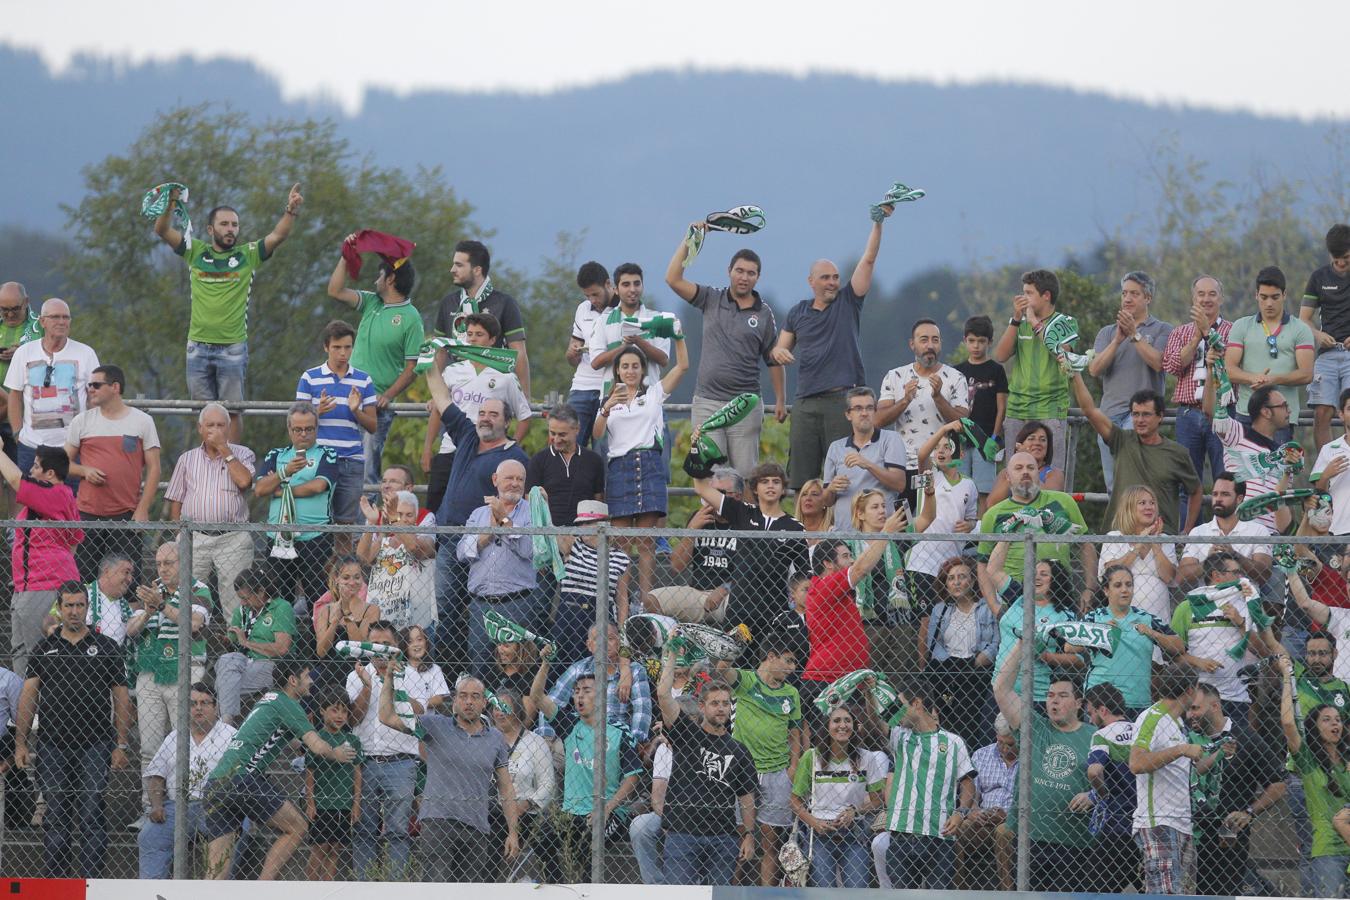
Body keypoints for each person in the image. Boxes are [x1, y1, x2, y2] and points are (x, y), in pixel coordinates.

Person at [152, 184, 303, 441]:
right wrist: (170, 204)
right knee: (205, 415)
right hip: (197, 347)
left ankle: (234, 465)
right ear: (211, 229)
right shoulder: (195, 251)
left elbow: (278, 236)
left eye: (234, 224)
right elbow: (163, 230)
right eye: (224, 224)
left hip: (232, 348)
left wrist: (290, 211)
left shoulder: (249, 255)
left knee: (232, 412)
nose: (230, 229)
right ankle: (210, 468)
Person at [202, 659, 358, 881]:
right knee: (297, 827)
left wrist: (301, 748)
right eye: (307, 676)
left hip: (217, 782)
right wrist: (337, 753)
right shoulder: (289, 704)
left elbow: (284, 736)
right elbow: (317, 746)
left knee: (217, 869)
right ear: (293, 680)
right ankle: (264, 889)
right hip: (244, 778)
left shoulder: (269, 699)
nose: (311, 681)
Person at [13, 582, 130, 877]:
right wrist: (21, 743)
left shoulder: (106, 647)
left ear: (87, 608)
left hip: (96, 744)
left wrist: (122, 743)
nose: (75, 611)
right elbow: (28, 697)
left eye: (80, 605)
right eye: (69, 606)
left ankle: (93, 881)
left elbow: (121, 697)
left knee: (91, 812)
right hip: (53, 745)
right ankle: (57, 881)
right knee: (56, 814)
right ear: (59, 608)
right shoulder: (45, 648)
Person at [774, 209, 892, 489]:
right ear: (811, 281)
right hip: (805, 403)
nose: (832, 283)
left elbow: (869, 258)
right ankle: (804, 532)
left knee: (843, 474)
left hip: (842, 401)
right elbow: (779, 349)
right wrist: (778, 353)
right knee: (802, 479)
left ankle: (841, 531)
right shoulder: (797, 312)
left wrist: (878, 222)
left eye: (836, 277)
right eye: (825, 277)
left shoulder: (848, 301)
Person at [426, 352, 529, 668]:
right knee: (443, 609)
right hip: (448, 538)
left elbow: (515, 502)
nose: (485, 417)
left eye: (493, 414)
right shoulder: (468, 436)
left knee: (474, 615)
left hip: (485, 546)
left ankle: (474, 681)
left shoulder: (513, 457)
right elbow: (442, 399)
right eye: (482, 412)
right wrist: (429, 364)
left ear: (506, 421)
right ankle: (446, 677)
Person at [378, 669, 521, 882]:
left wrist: (513, 832)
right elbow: (386, 717)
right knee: (436, 892)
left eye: (475, 697)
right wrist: (389, 680)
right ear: (454, 701)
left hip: (476, 827)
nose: (469, 702)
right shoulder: (434, 725)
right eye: (463, 696)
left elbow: (506, 787)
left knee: (470, 894)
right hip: (438, 823)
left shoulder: (496, 738)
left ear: (485, 703)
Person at [666, 233, 786, 476]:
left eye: (750, 273)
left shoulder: (764, 314)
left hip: (745, 406)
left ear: (758, 277)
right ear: (729, 271)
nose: (744, 277)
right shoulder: (710, 298)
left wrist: (781, 399)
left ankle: (747, 516)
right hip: (707, 402)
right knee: (711, 475)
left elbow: (773, 359)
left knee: (745, 476)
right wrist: (690, 241)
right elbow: (673, 279)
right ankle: (713, 517)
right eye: (739, 271)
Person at [654, 633, 758, 886]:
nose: (721, 708)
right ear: (702, 707)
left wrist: (748, 835)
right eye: (714, 703)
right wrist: (672, 654)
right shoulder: (686, 734)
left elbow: (746, 798)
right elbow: (663, 695)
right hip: (682, 834)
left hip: (722, 838)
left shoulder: (739, 750)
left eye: (725, 703)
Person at [993, 639, 1095, 892]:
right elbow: (1001, 689)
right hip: (1030, 840)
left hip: (1075, 844)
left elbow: (1117, 783)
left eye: (1062, 696)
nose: (1054, 702)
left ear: (1079, 703)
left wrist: (1093, 795)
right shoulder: (1034, 728)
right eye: (1050, 696)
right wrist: (1021, 644)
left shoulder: (1096, 736)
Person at [593, 331, 690, 598]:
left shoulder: (654, 394)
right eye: (625, 366)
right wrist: (607, 406)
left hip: (648, 464)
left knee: (647, 542)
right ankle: (622, 605)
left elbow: (682, 366)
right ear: (617, 370)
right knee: (621, 543)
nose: (630, 370)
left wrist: (678, 335)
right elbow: (597, 434)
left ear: (643, 369)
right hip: (620, 468)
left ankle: (647, 602)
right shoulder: (608, 401)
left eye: (635, 366)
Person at [326, 237, 424, 486]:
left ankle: (365, 523)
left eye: (379, 276)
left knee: (367, 468)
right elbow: (335, 290)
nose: (375, 281)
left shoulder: (411, 318)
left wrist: (388, 395)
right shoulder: (371, 302)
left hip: (375, 404)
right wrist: (346, 254)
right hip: (346, 396)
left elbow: (413, 367)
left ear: (390, 279)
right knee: (335, 462)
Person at [533, 673, 643, 883]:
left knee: (584, 849)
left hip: (608, 813)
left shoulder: (619, 731)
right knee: (540, 837)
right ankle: (559, 888)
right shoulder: (569, 725)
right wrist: (546, 663)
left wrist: (607, 808)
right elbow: (537, 696)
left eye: (586, 691)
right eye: (576, 692)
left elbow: (633, 777)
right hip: (571, 812)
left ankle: (582, 889)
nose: (579, 696)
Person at [689, 460, 808, 653]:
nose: (771, 485)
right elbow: (701, 487)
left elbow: (804, 574)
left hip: (775, 611)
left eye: (776, 482)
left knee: (767, 668)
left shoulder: (795, 527)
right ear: (754, 488)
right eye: (765, 481)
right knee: (727, 666)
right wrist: (698, 452)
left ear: (783, 488)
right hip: (740, 608)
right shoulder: (742, 512)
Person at [714, 633, 804, 887]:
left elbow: (795, 733)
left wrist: (793, 767)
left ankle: (767, 895)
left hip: (778, 774)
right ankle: (730, 893)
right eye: (788, 661)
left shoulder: (792, 693)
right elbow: (722, 669)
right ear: (771, 656)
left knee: (770, 844)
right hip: (742, 773)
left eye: (794, 663)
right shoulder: (747, 680)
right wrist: (734, 643)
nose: (791, 668)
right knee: (740, 839)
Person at [422, 312, 533, 514]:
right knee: (435, 506)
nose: (472, 338)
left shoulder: (505, 376)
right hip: (451, 448)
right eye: (470, 333)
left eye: (479, 334)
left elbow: (525, 417)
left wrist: (507, 448)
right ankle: (437, 546)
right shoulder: (453, 370)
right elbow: (440, 409)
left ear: (492, 340)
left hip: (486, 451)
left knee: (479, 504)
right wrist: (428, 448)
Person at [125, 542, 211, 792]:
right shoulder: (151, 589)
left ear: (184, 563)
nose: (162, 569)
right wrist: (148, 612)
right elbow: (130, 631)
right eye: (159, 564)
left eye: (168, 564)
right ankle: (149, 808)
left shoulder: (198, 588)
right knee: (148, 748)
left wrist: (163, 605)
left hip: (186, 668)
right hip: (150, 673)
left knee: (183, 744)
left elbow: (194, 625)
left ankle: (181, 804)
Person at [1187, 680, 1286, 897]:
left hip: (1227, 840)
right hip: (1187, 837)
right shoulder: (1184, 740)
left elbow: (1278, 783)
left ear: (1215, 706)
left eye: (1195, 708)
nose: (1190, 715)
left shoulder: (1245, 738)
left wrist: (1249, 812)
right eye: (1188, 709)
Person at [799, 509, 908, 705]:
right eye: (846, 556)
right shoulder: (823, 586)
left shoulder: (840, 593)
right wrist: (886, 532)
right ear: (828, 563)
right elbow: (861, 569)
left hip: (848, 682)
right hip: (826, 681)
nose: (851, 560)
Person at [65, 364, 160, 581]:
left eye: (97, 385)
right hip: (87, 515)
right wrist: (84, 470)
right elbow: (62, 464)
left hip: (126, 516)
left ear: (115, 387)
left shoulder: (142, 421)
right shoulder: (82, 421)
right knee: (86, 582)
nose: (91, 389)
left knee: (128, 584)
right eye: (89, 385)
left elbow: (155, 468)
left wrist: (143, 509)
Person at [1071, 374, 1201, 532]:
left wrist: (1187, 531)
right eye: (1135, 414)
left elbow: (1195, 490)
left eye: (1146, 414)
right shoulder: (1121, 439)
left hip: (1159, 538)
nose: (1140, 420)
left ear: (1160, 416)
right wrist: (1075, 374)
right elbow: (1089, 410)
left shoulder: (1177, 452)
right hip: (1120, 536)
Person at [879, 677, 975, 890]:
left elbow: (968, 783)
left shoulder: (953, 742)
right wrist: (868, 694)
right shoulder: (899, 737)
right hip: (901, 833)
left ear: (916, 704)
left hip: (938, 835)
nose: (897, 713)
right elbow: (872, 726)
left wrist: (961, 812)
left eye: (901, 705)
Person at [164, 402, 255, 622]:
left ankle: (238, 648)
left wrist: (225, 450)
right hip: (195, 536)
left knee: (237, 598)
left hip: (233, 537)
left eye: (221, 425)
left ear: (228, 428)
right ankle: (189, 652)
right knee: (186, 595)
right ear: (200, 429)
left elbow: (244, 481)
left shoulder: (244, 454)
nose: (215, 430)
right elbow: (175, 499)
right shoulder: (187, 459)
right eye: (210, 425)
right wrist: (180, 534)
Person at [137, 683, 237, 879]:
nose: (198, 708)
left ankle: (216, 893)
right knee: (149, 836)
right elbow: (156, 776)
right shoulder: (175, 737)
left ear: (215, 707)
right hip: (177, 807)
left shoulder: (231, 735)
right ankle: (150, 891)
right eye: (193, 704)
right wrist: (156, 805)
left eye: (204, 703)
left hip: (219, 806)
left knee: (234, 835)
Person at [976, 450, 1096, 609]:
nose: (1025, 472)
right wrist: (994, 605)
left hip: (1060, 595)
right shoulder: (993, 514)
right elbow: (983, 564)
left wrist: (1089, 588)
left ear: (1037, 473)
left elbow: (1086, 544)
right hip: (1014, 599)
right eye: (1018, 468)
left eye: (1030, 468)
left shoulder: (1064, 501)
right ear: (1007, 477)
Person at [1088, 271, 1174, 490]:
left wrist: (1135, 335)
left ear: (1148, 298)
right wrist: (1117, 340)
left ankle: (1138, 524)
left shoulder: (1163, 329)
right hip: (1109, 414)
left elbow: (1158, 363)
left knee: (1136, 481)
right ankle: (1118, 525)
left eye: (1134, 294)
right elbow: (1094, 369)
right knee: (1112, 484)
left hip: (1141, 415)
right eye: (1124, 293)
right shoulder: (1107, 333)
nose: (1127, 299)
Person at [3, 441, 81, 677]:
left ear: (50, 473)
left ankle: (35, 710)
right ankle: (24, 710)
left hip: (42, 584)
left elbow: (16, 481)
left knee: (36, 653)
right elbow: (74, 541)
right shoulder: (59, 496)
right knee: (21, 651)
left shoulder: (54, 493)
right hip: (29, 585)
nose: (31, 472)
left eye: (36, 467)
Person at [346, 622, 419, 880]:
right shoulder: (355, 675)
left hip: (401, 762)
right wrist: (367, 686)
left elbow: (419, 713)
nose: (380, 650)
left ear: (396, 646)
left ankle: (395, 886)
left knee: (398, 830)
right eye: (375, 644)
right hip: (364, 763)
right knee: (363, 829)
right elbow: (352, 719)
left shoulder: (410, 674)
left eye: (386, 644)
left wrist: (393, 682)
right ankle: (364, 887)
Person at [295, 320, 378, 542]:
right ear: (326, 347)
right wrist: (317, 411)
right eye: (337, 347)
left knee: (345, 525)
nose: (343, 353)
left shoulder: (364, 379)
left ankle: (341, 575)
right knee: (314, 523)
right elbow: (296, 424)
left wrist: (356, 411)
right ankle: (317, 576)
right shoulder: (309, 377)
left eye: (347, 347)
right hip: (318, 459)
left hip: (351, 459)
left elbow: (372, 425)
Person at [790, 703, 887, 888]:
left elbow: (877, 800)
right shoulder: (811, 757)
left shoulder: (867, 758)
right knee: (823, 894)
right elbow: (794, 801)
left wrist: (855, 809)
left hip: (855, 834)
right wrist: (813, 822)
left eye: (847, 721)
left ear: (855, 726)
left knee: (856, 893)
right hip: (820, 835)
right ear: (827, 726)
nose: (842, 725)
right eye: (836, 721)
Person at [1276, 653, 1350, 898]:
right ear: (1314, 727)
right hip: (1330, 850)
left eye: (1338, 719)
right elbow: (1288, 723)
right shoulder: (1309, 763)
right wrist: (1288, 677)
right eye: (1326, 720)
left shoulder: (1348, 762)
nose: (1334, 724)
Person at [457, 459, 541, 673]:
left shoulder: (533, 512)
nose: (514, 483)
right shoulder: (478, 514)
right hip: (480, 606)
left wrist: (503, 521)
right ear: (495, 480)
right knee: (481, 667)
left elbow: (529, 550)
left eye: (519, 479)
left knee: (519, 670)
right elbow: (461, 552)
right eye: (509, 478)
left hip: (517, 603)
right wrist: (485, 537)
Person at [1171, 552, 1269, 729]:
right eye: (1236, 572)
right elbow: (1171, 654)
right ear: (1216, 575)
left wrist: (1240, 623)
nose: (1242, 577)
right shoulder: (1187, 607)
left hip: (1236, 698)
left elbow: (1262, 651)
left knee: (1236, 754)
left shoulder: (1247, 603)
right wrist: (1198, 662)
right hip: (1198, 700)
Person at [1070, 565, 1184, 716]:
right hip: (1101, 702)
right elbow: (1069, 647)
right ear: (1106, 591)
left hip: (1138, 702)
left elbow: (1179, 646)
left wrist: (1153, 634)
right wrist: (1099, 630)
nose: (1125, 590)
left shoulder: (1146, 618)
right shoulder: (1094, 618)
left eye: (1129, 585)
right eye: (1118, 585)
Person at [255, 402, 340, 605]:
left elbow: (318, 486)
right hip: (278, 536)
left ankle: (318, 638)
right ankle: (283, 638)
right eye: (298, 429)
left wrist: (280, 489)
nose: (304, 434)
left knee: (318, 599)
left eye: (309, 429)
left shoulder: (327, 453)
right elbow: (259, 489)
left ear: (317, 428)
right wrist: (285, 472)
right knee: (278, 600)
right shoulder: (276, 455)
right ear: (289, 430)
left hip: (315, 537)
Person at [1129, 664, 1203, 895]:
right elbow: (1137, 763)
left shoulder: (1178, 723)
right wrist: (1181, 750)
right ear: (1190, 690)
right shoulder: (1152, 717)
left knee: (1176, 892)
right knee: (1165, 894)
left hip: (1181, 821)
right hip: (1159, 821)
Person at [5, 298, 100, 476]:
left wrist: (90, 435)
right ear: (42, 322)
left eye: (66, 317)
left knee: (72, 502)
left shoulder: (86, 353)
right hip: (31, 447)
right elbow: (14, 395)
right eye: (55, 317)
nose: (62, 322)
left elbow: (96, 396)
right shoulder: (24, 353)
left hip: (73, 449)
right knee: (31, 500)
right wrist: (18, 433)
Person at [983, 539, 1082, 703]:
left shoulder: (1065, 615)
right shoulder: (1018, 597)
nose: (1036, 577)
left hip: (1037, 696)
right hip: (999, 690)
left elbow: (1079, 659)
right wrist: (1008, 536)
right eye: (1034, 573)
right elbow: (993, 570)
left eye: (1044, 574)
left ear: (1056, 580)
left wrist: (1047, 657)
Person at [1224, 265, 1315, 442]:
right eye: (1264, 297)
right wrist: (1252, 378)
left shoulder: (1301, 329)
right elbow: (1229, 370)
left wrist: (1272, 380)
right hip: (1245, 414)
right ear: (1256, 295)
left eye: (1275, 297)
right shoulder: (1241, 326)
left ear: (1284, 295)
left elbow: (1306, 374)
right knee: (1243, 469)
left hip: (1281, 417)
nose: (1269, 303)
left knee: (1279, 469)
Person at [433, 238, 531, 398]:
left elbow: (518, 352)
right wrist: (437, 393)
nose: (452, 269)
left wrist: (524, 396)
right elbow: (440, 352)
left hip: (491, 391)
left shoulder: (504, 303)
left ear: (477, 270)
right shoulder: (448, 303)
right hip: (454, 391)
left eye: (459, 265)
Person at [875, 318, 970, 483]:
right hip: (904, 465)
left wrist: (938, 397)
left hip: (943, 465)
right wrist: (905, 400)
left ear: (941, 344)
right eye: (924, 340)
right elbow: (878, 420)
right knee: (908, 509)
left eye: (935, 340)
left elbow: (962, 425)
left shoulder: (956, 377)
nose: (930, 345)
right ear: (912, 344)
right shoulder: (895, 376)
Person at [992, 269, 1070, 462]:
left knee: (1051, 471)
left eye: (1028, 293)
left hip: (1050, 408)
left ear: (1046, 296)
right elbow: (1000, 355)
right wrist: (1016, 320)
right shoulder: (1020, 324)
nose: (1022, 298)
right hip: (1017, 409)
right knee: (1016, 470)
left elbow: (1061, 352)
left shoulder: (1065, 322)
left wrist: (1035, 323)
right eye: (1023, 292)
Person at [1205, 378, 1301, 534]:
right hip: (1238, 533)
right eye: (1284, 406)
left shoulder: (1285, 456)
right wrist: (1210, 371)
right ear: (1266, 412)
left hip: (1270, 540)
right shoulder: (1238, 434)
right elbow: (1210, 412)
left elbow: (1284, 504)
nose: (1289, 411)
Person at [645, 467, 740, 624]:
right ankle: (673, 638)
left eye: (720, 494)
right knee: (651, 600)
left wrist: (725, 589)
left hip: (733, 593)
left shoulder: (746, 521)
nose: (714, 499)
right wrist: (692, 530)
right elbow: (677, 566)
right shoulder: (700, 518)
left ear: (737, 496)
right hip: (697, 593)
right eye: (711, 493)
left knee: (740, 604)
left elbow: (753, 571)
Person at [1163, 274, 1234, 483]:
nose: (1206, 299)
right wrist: (1197, 337)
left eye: (1212, 294)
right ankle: (1188, 518)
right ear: (1193, 299)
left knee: (1225, 478)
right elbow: (1173, 366)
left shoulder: (1233, 330)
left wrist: (1207, 330)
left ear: (1221, 299)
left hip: (1223, 412)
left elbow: (1229, 364)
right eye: (1201, 294)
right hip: (1188, 414)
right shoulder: (1180, 332)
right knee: (1187, 482)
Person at [923, 556, 997, 751]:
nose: (956, 582)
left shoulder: (986, 608)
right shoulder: (941, 610)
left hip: (976, 673)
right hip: (948, 673)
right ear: (945, 584)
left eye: (962, 577)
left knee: (973, 724)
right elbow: (934, 643)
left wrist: (979, 660)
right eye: (951, 578)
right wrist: (950, 663)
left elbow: (995, 642)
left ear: (972, 581)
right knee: (947, 723)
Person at [535, 623, 652, 744]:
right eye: (598, 639)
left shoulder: (635, 671)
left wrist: (634, 743)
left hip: (619, 740)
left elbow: (642, 710)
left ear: (619, 642)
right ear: (589, 645)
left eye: (610, 638)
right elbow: (553, 700)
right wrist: (547, 737)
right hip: (582, 739)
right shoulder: (579, 669)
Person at [909, 420, 979, 609]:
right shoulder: (930, 474)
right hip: (922, 562)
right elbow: (922, 454)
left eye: (947, 447)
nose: (940, 451)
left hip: (950, 566)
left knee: (943, 619)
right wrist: (944, 429)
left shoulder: (969, 485)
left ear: (960, 455)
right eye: (938, 447)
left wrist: (970, 525)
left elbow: (972, 519)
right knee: (924, 619)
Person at [553, 500, 631, 665]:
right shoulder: (572, 545)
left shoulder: (620, 557)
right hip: (570, 615)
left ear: (603, 524)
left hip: (601, 616)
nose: (584, 527)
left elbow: (622, 598)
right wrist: (544, 502)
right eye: (581, 523)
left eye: (589, 522)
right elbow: (548, 524)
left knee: (597, 667)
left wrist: (622, 632)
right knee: (562, 666)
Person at [215, 567, 296, 725]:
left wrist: (246, 642)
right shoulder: (242, 610)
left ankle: (225, 724)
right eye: (240, 599)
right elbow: (235, 643)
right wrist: (226, 640)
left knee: (223, 684)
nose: (243, 603)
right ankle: (226, 723)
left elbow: (282, 648)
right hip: (243, 663)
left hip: (272, 665)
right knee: (226, 659)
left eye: (246, 598)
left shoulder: (281, 607)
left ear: (260, 591)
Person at [1083, 683, 1142, 894]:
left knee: (1095, 888)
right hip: (1145, 822)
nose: (1090, 719)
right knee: (1145, 884)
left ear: (1103, 710)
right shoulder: (1140, 730)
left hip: (1117, 824)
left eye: (1091, 713)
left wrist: (1101, 793)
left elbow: (1094, 772)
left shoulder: (1102, 736)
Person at [820, 386, 908, 525]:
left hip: (879, 535)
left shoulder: (891, 439)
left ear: (875, 412)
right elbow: (826, 501)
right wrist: (831, 488)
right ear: (848, 415)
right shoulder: (835, 447)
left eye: (869, 408)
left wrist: (867, 464)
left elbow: (899, 484)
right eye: (858, 408)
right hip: (844, 535)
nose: (864, 413)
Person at [951, 713, 1017, 891]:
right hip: (984, 819)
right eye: (1000, 742)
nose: (1003, 748)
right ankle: (959, 891)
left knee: (1003, 831)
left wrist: (1009, 816)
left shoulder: (1032, 758)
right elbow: (972, 793)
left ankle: (1007, 893)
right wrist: (974, 812)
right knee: (958, 829)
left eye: (1010, 744)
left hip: (1015, 820)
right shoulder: (982, 755)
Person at [1097, 484, 1179, 624]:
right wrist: (1139, 543)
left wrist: (1155, 543)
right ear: (1129, 508)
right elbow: (1109, 573)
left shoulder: (1164, 539)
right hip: (1122, 620)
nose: (1149, 507)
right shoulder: (1115, 537)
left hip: (1158, 619)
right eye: (1142, 503)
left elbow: (1168, 577)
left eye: (1152, 503)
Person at [305, 688, 364, 881]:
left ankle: (327, 888)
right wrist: (310, 802)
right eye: (334, 710)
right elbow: (310, 772)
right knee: (320, 847)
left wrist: (356, 804)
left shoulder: (352, 740)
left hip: (344, 804)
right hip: (322, 804)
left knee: (335, 848)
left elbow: (357, 773)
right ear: (322, 711)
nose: (340, 716)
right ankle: (311, 889)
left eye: (344, 711)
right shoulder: (316, 740)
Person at [357, 489, 437, 632]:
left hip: (418, 620)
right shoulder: (384, 538)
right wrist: (371, 522)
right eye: (399, 514)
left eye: (409, 515)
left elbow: (413, 547)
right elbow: (363, 558)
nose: (404, 519)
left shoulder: (424, 539)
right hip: (384, 617)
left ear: (417, 516)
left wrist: (395, 520)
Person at [490, 685, 555, 859]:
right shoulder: (486, 742)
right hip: (493, 812)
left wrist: (526, 804)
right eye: (496, 707)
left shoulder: (535, 742)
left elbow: (548, 784)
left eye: (505, 708)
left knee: (546, 836)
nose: (499, 713)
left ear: (517, 710)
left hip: (527, 813)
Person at [1178, 473, 1274, 589]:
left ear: (1239, 499)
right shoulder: (1198, 532)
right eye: (1215, 494)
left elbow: (1264, 574)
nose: (1218, 499)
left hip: (1245, 602)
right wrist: (1209, 562)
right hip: (1208, 603)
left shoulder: (1258, 530)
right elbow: (1180, 577)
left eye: (1225, 494)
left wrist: (1235, 556)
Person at [1303, 224, 1350, 454]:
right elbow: (1304, 319)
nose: (1342, 263)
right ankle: (1326, 469)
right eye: (1337, 258)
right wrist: (1318, 334)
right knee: (1322, 412)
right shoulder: (1318, 277)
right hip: (1327, 355)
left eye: (1347, 258)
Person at [955, 315, 1008, 512]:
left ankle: (981, 538)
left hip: (985, 440)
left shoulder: (996, 371)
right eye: (972, 341)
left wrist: (994, 437)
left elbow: (1001, 407)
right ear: (965, 341)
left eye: (981, 341)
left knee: (984, 492)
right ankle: (960, 540)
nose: (976, 346)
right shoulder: (957, 371)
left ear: (990, 342)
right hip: (960, 440)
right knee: (959, 491)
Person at [563, 261, 618, 447]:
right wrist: (572, 353)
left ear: (608, 284)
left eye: (596, 294)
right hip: (581, 386)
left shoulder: (624, 308)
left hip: (611, 387)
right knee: (567, 442)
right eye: (587, 296)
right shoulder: (582, 309)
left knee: (604, 449)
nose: (592, 300)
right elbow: (573, 352)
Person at [525, 403, 605, 526]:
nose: (556, 439)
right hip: (549, 535)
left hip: (585, 535)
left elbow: (598, 500)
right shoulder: (538, 461)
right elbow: (530, 502)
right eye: (552, 433)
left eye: (562, 434)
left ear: (577, 429)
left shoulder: (594, 461)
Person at [312, 557, 380, 685]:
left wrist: (348, 613)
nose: (352, 582)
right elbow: (321, 651)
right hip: (330, 673)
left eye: (357, 577)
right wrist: (334, 622)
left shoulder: (372, 610)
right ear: (337, 579)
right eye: (346, 578)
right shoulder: (325, 611)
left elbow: (360, 648)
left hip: (358, 673)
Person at [0, 281, 44, 461]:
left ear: (26, 302)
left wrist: (24, 353)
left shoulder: (42, 326)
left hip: (26, 417)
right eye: (3, 309)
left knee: (21, 476)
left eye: (15, 308)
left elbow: (58, 357)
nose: (9, 314)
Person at [983, 419, 1066, 507]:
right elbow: (991, 504)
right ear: (1020, 444)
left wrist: (1030, 463)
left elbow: (1051, 500)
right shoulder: (1006, 473)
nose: (1037, 443)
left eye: (1042, 440)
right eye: (1031, 439)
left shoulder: (1054, 474)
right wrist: (1015, 470)